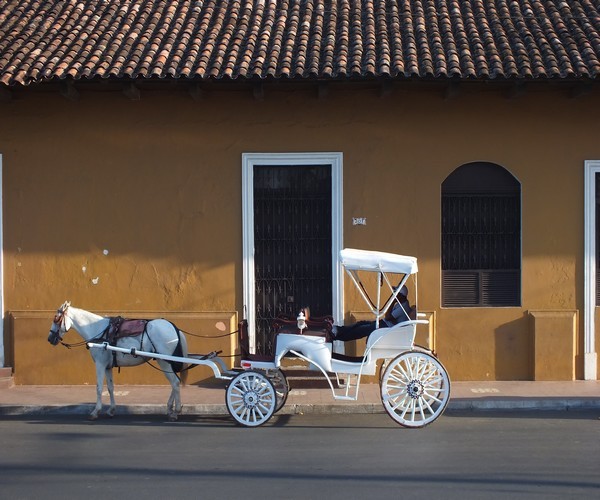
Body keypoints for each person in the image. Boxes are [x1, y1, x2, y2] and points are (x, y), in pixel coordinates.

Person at [331, 285, 416, 342]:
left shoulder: (403, 307)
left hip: (387, 327)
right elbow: (390, 318)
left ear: (401, 296)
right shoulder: (402, 304)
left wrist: (392, 302)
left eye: (395, 293)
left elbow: (387, 316)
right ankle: (338, 330)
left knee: (362, 329)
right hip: (386, 324)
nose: (393, 295)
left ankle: (337, 336)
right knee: (361, 323)